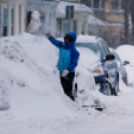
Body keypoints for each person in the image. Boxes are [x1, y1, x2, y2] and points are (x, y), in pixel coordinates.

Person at [45, 32, 80, 101]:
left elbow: (74, 63)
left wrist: (68, 70)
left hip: (68, 74)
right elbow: (55, 42)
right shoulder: (62, 46)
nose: (66, 40)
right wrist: (50, 37)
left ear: (72, 40)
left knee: (67, 91)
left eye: (68, 39)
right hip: (60, 71)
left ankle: (71, 105)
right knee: (59, 90)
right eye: (66, 38)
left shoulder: (74, 51)